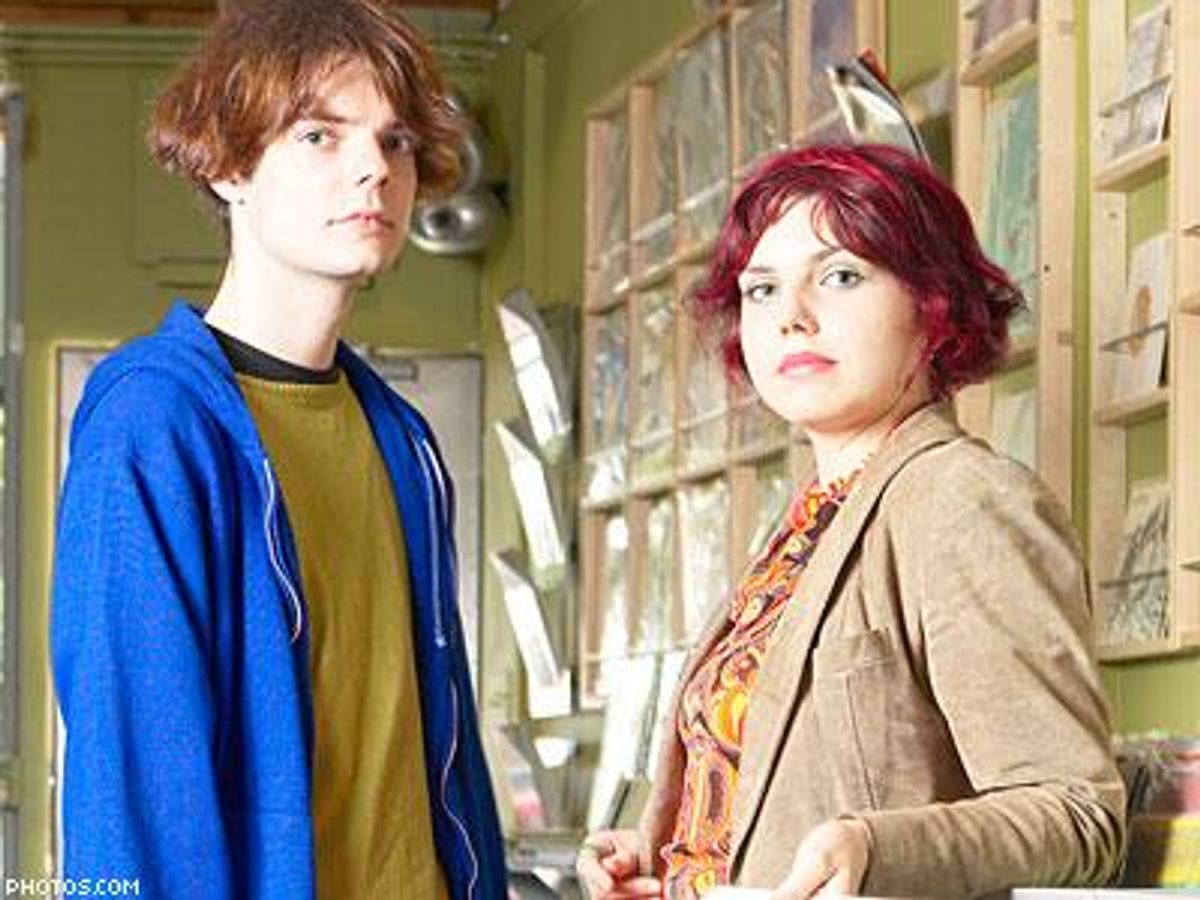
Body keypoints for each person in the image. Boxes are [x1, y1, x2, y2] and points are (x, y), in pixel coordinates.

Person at [577, 144, 1125, 899]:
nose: (792, 317)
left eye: (839, 276)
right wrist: (659, 853)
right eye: (762, 290)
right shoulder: (809, 521)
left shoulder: (963, 499)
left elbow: (1078, 815)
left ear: (933, 306)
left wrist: (875, 848)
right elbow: (783, 787)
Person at [50, 1, 506, 898]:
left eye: (395, 141)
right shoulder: (153, 425)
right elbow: (130, 798)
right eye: (319, 136)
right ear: (228, 166)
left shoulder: (404, 442)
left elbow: (444, 768)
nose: (374, 168)